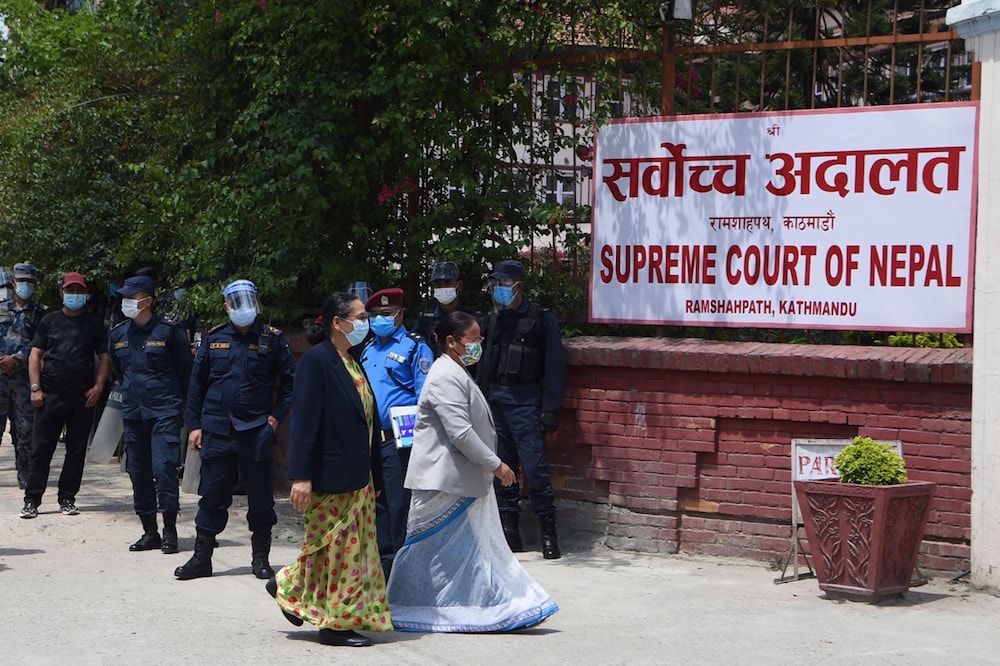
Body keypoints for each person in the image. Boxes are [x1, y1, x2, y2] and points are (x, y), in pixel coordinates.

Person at [387, 311, 559, 631]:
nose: (479, 345)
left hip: (461, 479)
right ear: (452, 342)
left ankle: (492, 605)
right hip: (444, 480)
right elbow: (461, 433)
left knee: (475, 548)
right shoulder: (444, 376)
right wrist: (497, 465)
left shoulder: (458, 371)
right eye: (474, 339)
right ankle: (401, 606)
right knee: (425, 549)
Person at [266, 292, 391, 648]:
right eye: (361, 316)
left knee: (346, 551)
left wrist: (376, 475)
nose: (366, 323)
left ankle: (288, 586)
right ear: (338, 322)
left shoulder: (352, 360)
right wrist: (300, 476)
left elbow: (368, 423)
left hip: (359, 477)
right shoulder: (317, 362)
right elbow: (305, 422)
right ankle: (334, 626)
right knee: (337, 552)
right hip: (330, 476)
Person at [175, 279, 295, 580]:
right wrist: (195, 426)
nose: (244, 310)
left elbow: (292, 384)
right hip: (217, 428)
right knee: (213, 495)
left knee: (261, 497)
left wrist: (275, 419)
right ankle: (202, 558)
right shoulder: (214, 337)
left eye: (248, 303)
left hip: (256, 430)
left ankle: (260, 559)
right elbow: (197, 385)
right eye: (237, 304)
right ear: (227, 307)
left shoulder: (273, 338)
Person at [478, 259, 567, 559]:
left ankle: (548, 533)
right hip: (495, 401)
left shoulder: (541, 318)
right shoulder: (492, 320)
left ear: (518, 285)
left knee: (535, 469)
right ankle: (510, 533)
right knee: (502, 469)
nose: (498, 290)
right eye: (495, 285)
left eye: (503, 284)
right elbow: (482, 365)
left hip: (525, 401)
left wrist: (551, 407)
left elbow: (555, 366)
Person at [109, 275, 194, 554]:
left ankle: (170, 529)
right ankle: (149, 531)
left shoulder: (170, 331)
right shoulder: (119, 334)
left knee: (164, 468)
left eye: (132, 298)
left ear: (147, 301)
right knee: (138, 471)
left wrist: (186, 411)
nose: (127, 303)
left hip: (164, 411)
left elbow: (187, 373)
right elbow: (120, 373)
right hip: (134, 412)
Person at [20, 272, 110, 519]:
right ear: (62, 293)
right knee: (41, 449)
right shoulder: (49, 321)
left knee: (76, 450)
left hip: (83, 396)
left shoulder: (94, 324)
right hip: (50, 395)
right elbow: (35, 355)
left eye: (79, 291)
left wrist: (98, 387)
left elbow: (104, 358)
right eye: (70, 291)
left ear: (86, 294)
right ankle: (32, 500)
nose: (75, 295)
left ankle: (67, 498)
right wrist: (36, 388)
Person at [359, 287, 433, 576]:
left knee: (398, 505)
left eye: (386, 315)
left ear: (401, 314)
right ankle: (383, 564)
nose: (380, 321)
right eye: (375, 316)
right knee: (377, 504)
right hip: (370, 441)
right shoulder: (367, 349)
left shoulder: (415, 347)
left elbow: (425, 397)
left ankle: (402, 569)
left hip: (400, 441)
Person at [0, 263, 47, 489]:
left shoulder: (41, 313)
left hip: (24, 379)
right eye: (22, 281)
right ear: (13, 283)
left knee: (26, 429)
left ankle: (25, 472)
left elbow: (42, 345)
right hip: (0, 376)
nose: (25, 286)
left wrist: (16, 360)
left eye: (30, 282)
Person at [416, 260, 481, 354]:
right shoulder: (425, 319)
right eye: (438, 284)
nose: (443, 287)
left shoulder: (471, 318)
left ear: (459, 285)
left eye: (448, 283)